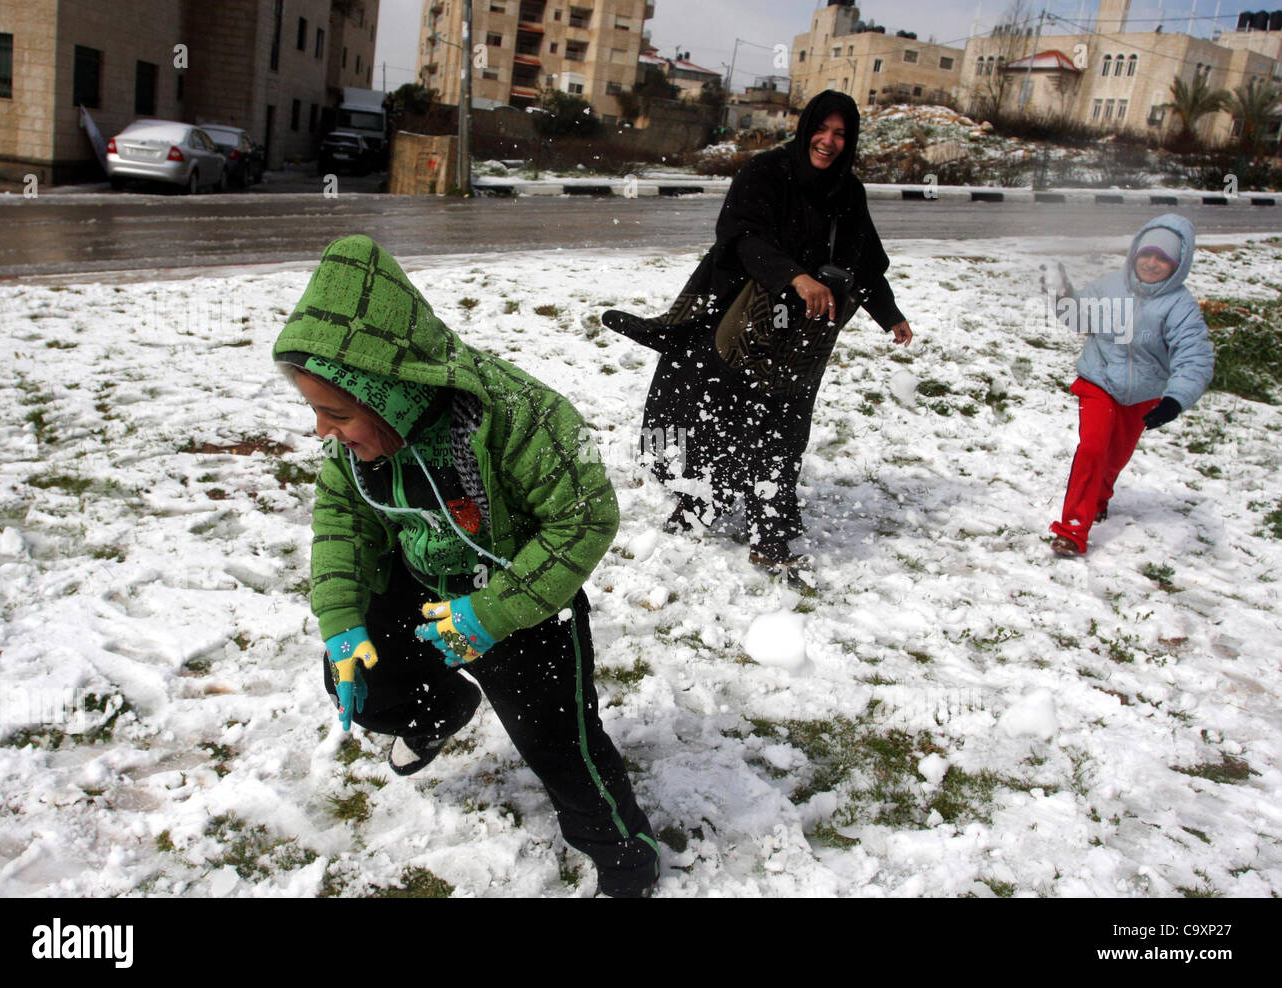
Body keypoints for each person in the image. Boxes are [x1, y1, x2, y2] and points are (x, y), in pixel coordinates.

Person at [272, 235, 658, 897]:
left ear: (391, 393)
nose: (321, 433)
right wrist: (339, 617)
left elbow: (587, 516)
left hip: (521, 603)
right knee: (358, 675)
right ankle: (437, 712)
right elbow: (343, 521)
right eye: (315, 411)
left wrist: (492, 612)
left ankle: (626, 856)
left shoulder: (520, 416)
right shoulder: (355, 449)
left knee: (559, 743)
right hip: (422, 584)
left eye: (336, 414)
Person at [602, 90, 911, 574]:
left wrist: (889, 314)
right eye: (821, 129)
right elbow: (743, 236)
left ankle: (770, 536)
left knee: (784, 427)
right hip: (735, 322)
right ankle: (701, 503)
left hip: (801, 338)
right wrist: (794, 275)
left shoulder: (848, 191)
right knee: (717, 421)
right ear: (806, 126)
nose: (828, 142)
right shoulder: (766, 172)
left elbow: (865, 261)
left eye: (840, 135)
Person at [1045, 213, 1215, 556]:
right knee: (1092, 449)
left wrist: (1174, 399)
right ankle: (1072, 530)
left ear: (1178, 264)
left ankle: (1100, 496)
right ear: (1135, 252)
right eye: (1147, 254)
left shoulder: (1180, 307)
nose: (1152, 264)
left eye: (1163, 259)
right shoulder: (1110, 286)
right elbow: (1079, 315)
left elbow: (1195, 356)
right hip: (1100, 381)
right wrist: (1063, 294)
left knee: (1114, 458)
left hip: (1143, 395)